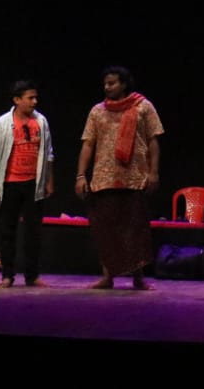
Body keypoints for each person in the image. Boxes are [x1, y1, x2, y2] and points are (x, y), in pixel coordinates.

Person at [76, 66, 164, 290]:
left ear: (124, 84)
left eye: (112, 83)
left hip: (135, 178)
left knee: (135, 230)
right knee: (106, 231)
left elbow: (153, 141)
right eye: (105, 84)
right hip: (104, 179)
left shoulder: (143, 107)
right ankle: (108, 277)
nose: (107, 87)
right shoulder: (97, 111)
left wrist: (153, 172)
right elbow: (88, 144)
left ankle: (138, 278)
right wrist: (80, 175)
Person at [0, 79, 54, 288]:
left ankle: (32, 276)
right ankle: (7, 275)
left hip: (33, 184)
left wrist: (49, 180)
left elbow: (48, 153)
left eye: (35, 97)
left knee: (33, 232)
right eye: (30, 98)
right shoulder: (1, 124)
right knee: (7, 231)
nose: (34, 101)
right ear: (17, 100)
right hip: (10, 184)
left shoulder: (41, 121)